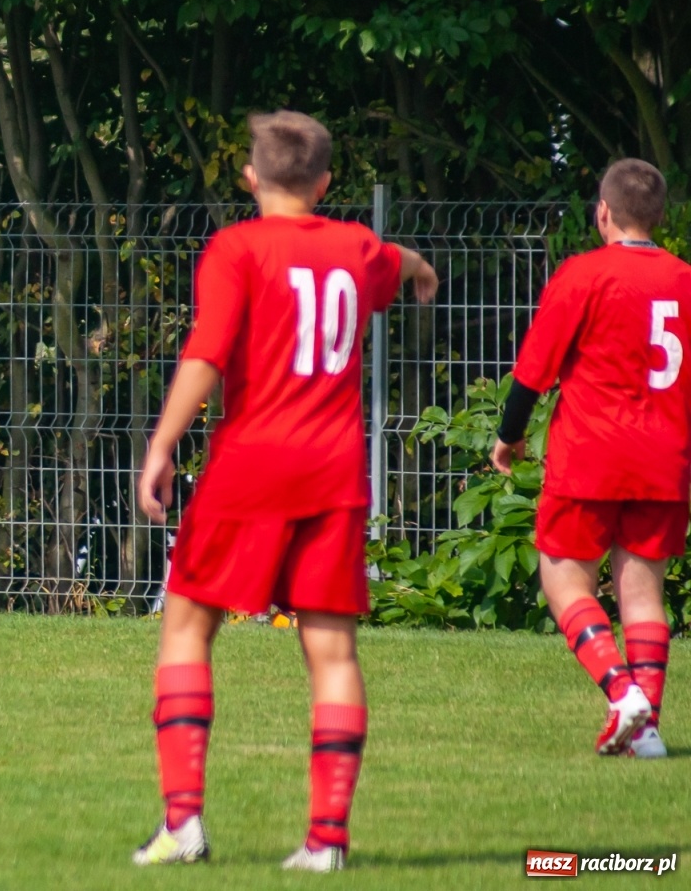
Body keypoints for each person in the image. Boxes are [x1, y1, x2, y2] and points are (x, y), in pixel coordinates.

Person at [132, 111, 438, 871]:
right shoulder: (355, 247)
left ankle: (183, 825)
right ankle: (326, 841)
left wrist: (163, 444)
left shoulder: (237, 247)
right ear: (327, 183)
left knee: (186, 629)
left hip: (251, 464)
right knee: (332, 654)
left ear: (250, 178)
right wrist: (419, 268)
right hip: (335, 474)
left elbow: (208, 351)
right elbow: (393, 260)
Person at [490, 159, 688, 761]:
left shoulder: (584, 275)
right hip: (666, 458)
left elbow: (532, 371)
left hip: (592, 454)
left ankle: (622, 691)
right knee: (643, 591)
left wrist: (510, 436)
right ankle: (646, 731)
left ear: (603, 212)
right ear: (661, 217)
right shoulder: (685, 278)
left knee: (563, 575)